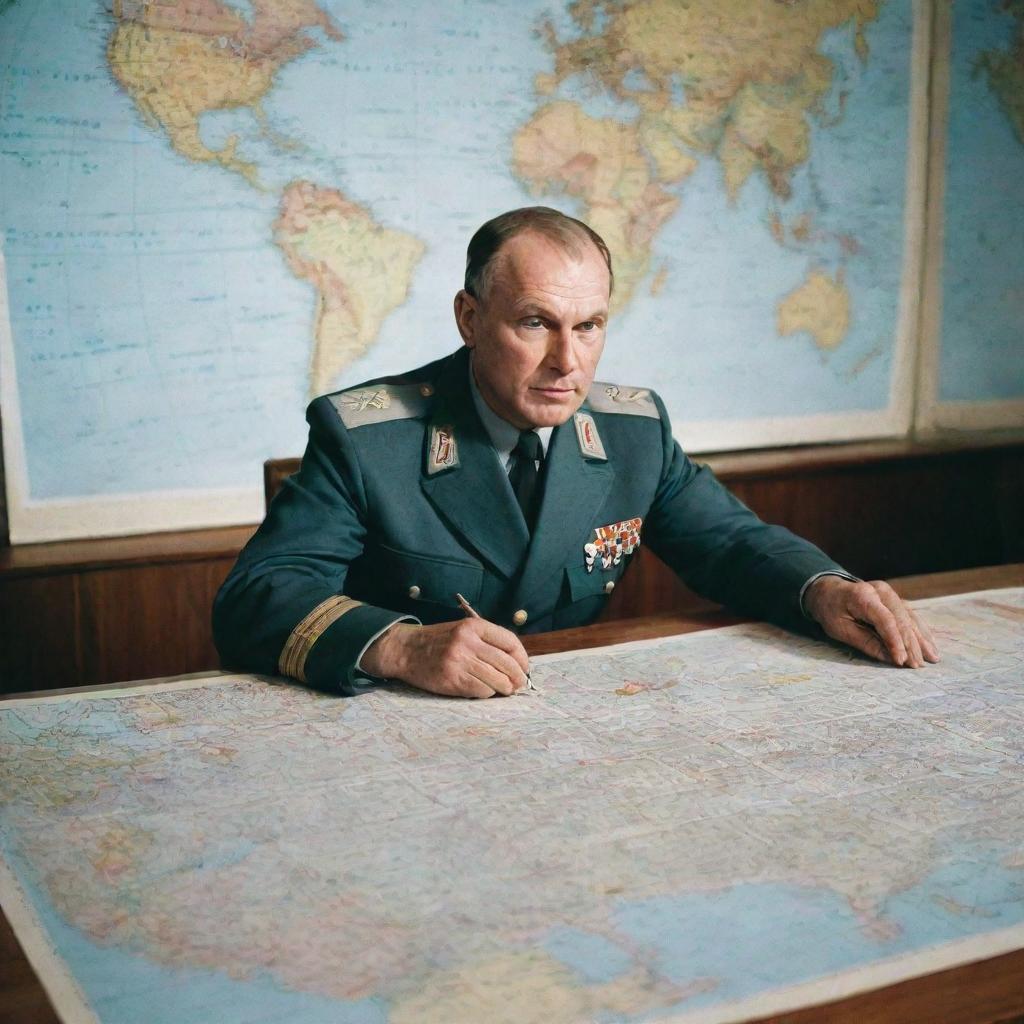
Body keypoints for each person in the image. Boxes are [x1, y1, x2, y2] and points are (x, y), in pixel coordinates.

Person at [213, 207, 938, 698]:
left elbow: (733, 545)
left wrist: (825, 590)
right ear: (470, 318)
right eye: (536, 323)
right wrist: (401, 648)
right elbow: (254, 598)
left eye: (588, 326)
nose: (568, 362)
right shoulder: (369, 438)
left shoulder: (633, 430)